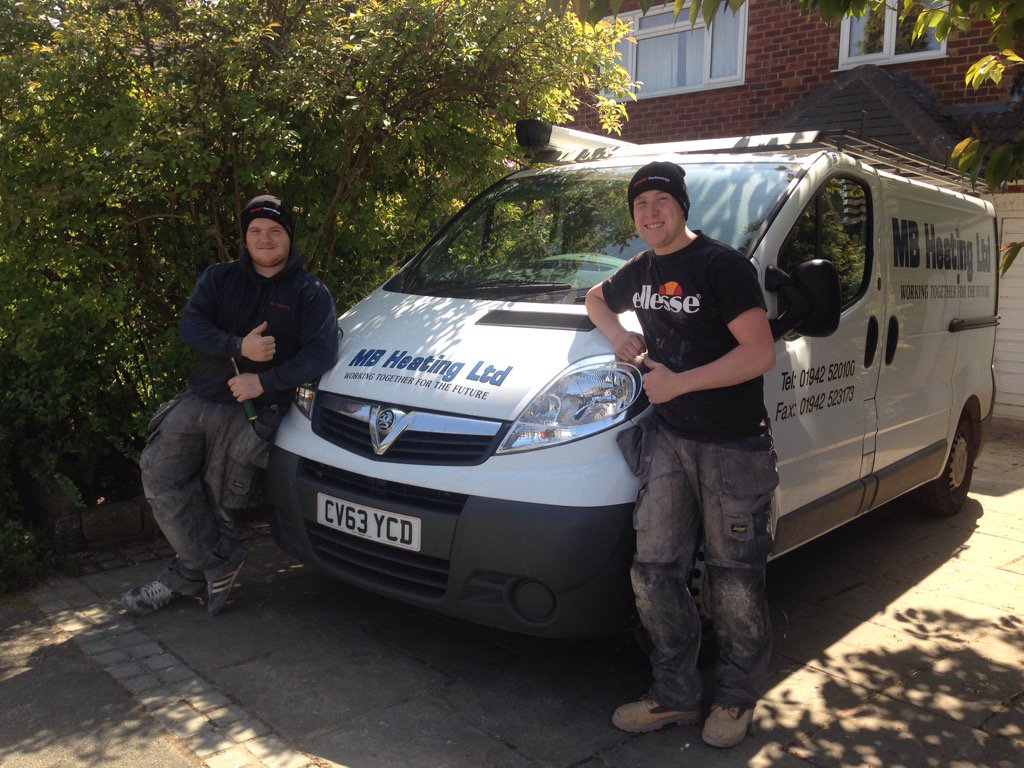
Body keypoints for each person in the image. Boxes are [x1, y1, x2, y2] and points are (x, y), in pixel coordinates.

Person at [585, 162, 778, 748]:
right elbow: (596, 298)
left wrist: (679, 383)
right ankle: (674, 695)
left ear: (683, 207)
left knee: (735, 577)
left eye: (660, 201)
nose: (650, 213)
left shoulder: (722, 266)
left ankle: (736, 697)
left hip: (733, 445)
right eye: (640, 205)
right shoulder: (641, 270)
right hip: (669, 438)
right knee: (654, 571)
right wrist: (618, 335)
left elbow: (760, 353)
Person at [122, 195, 338, 616]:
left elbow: (321, 355)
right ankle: (216, 565)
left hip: (252, 415)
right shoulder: (219, 279)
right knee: (159, 474)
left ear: (289, 238)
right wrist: (239, 345)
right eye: (256, 231)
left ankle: (183, 577)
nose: (265, 238)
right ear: (245, 237)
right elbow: (191, 326)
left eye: (275, 231)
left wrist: (264, 380)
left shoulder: (310, 294)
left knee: (220, 505)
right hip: (201, 398)